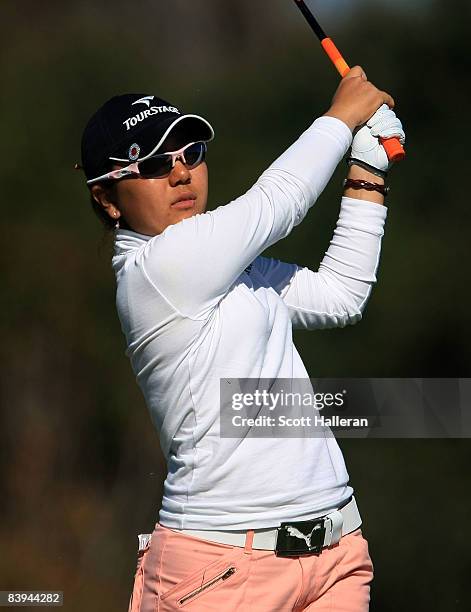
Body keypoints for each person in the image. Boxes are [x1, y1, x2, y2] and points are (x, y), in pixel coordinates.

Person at [78, 66, 405, 611]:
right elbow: (277, 203)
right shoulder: (156, 270)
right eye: (156, 164)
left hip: (336, 558)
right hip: (219, 572)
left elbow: (341, 295)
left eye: (190, 154)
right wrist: (342, 116)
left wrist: (367, 169)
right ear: (109, 200)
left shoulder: (231, 269)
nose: (181, 174)